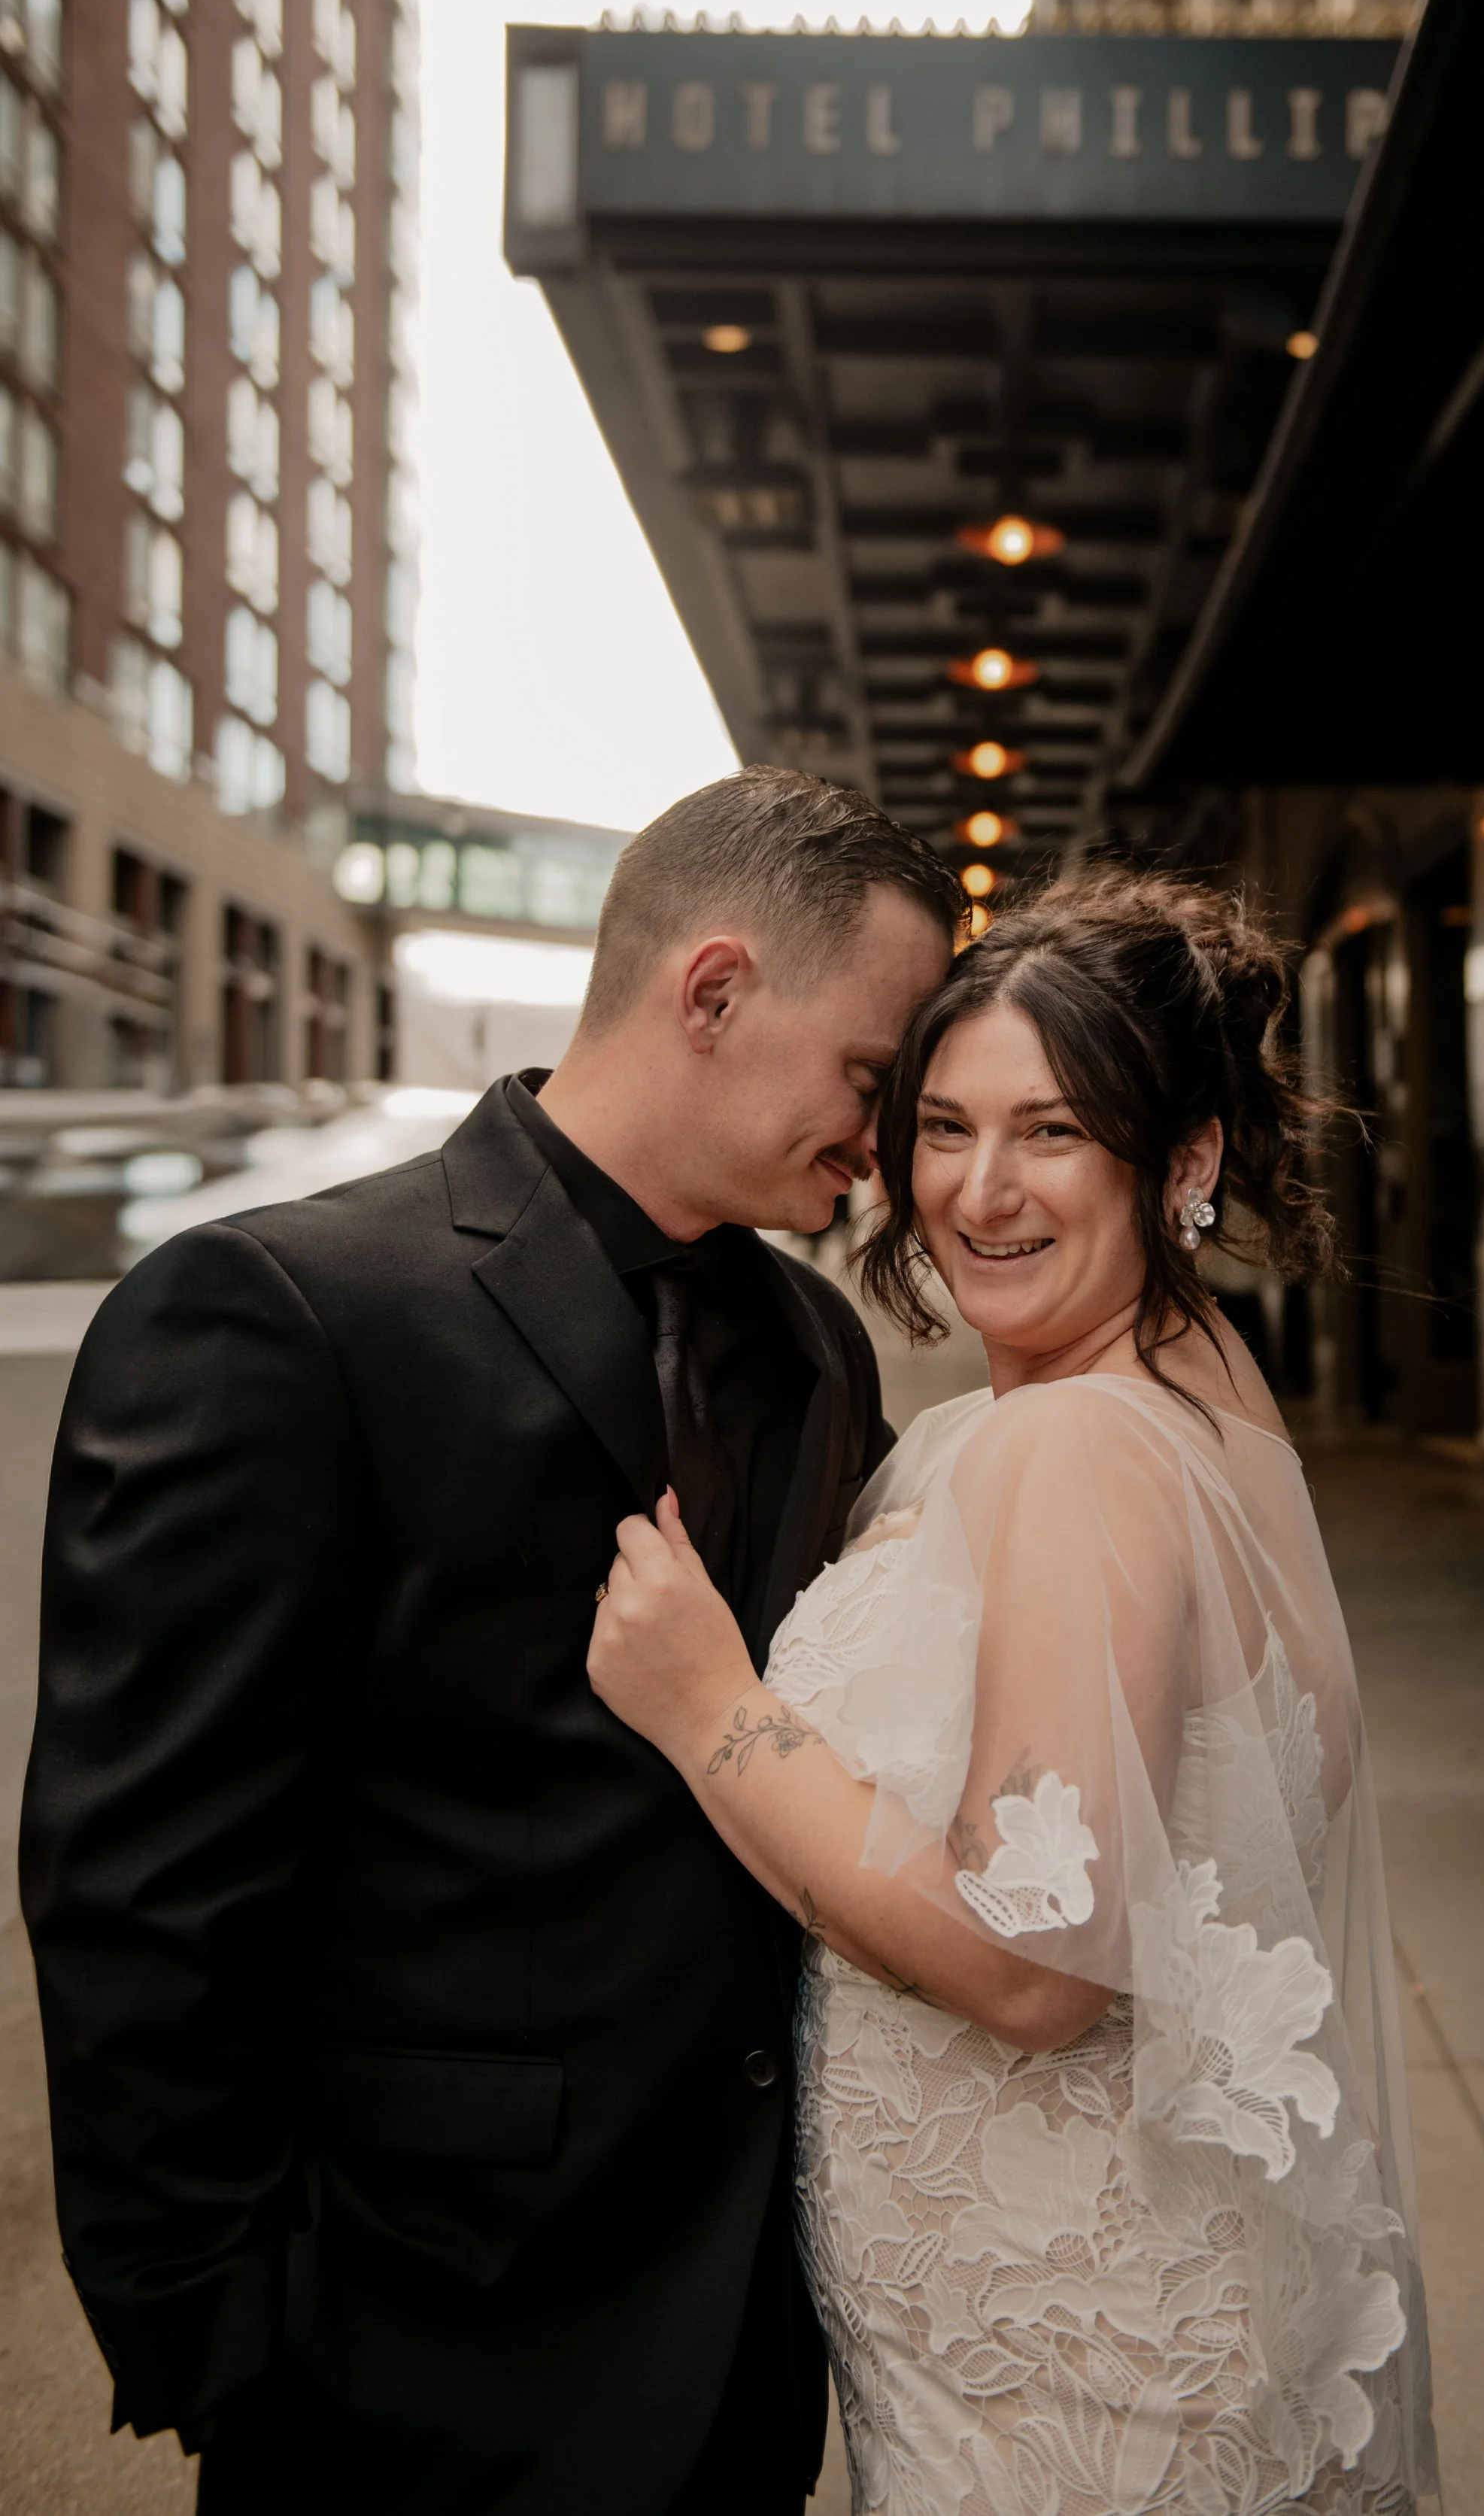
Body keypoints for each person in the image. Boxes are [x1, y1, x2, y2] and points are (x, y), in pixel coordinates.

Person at [20, 769, 957, 2516]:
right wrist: (221, 2336)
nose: (888, 1142)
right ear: (715, 990)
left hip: (741, 2345)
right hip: (403, 2346)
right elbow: (142, 1879)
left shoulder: (818, 1345)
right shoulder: (281, 1315)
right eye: (871, 1078)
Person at [589, 869, 1440, 2516]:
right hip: (1084, 2312)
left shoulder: (1070, 1445)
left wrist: (713, 1714)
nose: (979, 1192)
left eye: (1050, 1131)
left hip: (1054, 2372)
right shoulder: (1195, 1404)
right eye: (942, 1127)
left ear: (1178, 1159)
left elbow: (1042, 1964)